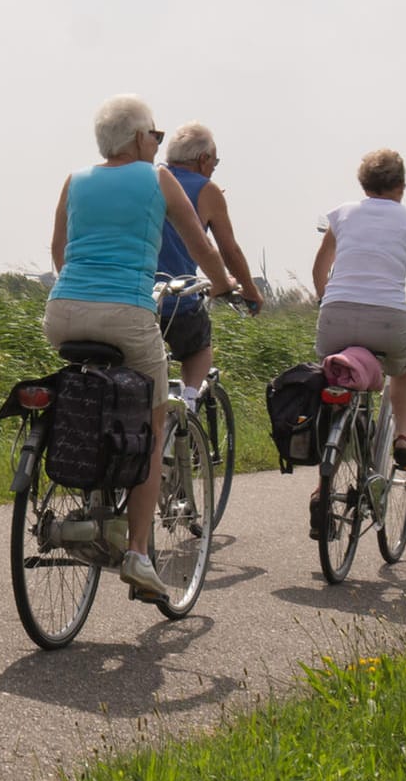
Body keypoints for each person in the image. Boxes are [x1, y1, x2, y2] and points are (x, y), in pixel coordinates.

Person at [45, 95, 235, 602]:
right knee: (152, 429)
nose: (157, 141)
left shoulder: (75, 180)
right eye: (154, 134)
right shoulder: (157, 180)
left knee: (91, 396)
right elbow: (199, 245)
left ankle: (90, 501)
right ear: (136, 139)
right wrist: (222, 284)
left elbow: (59, 250)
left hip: (62, 312)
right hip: (128, 313)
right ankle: (138, 553)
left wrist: (84, 287)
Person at [310, 148, 406, 492]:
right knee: (405, 368)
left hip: (335, 313)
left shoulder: (342, 215)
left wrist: (327, 298)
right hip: (388, 319)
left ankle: (326, 478)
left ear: (363, 185)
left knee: (333, 374)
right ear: (402, 186)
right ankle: (403, 437)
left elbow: (320, 268)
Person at [155, 121, 264, 406]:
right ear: (204, 160)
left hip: (138, 298)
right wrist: (250, 291)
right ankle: (189, 401)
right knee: (198, 348)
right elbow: (229, 251)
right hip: (178, 301)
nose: (214, 166)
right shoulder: (207, 190)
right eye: (214, 161)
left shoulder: (151, 180)